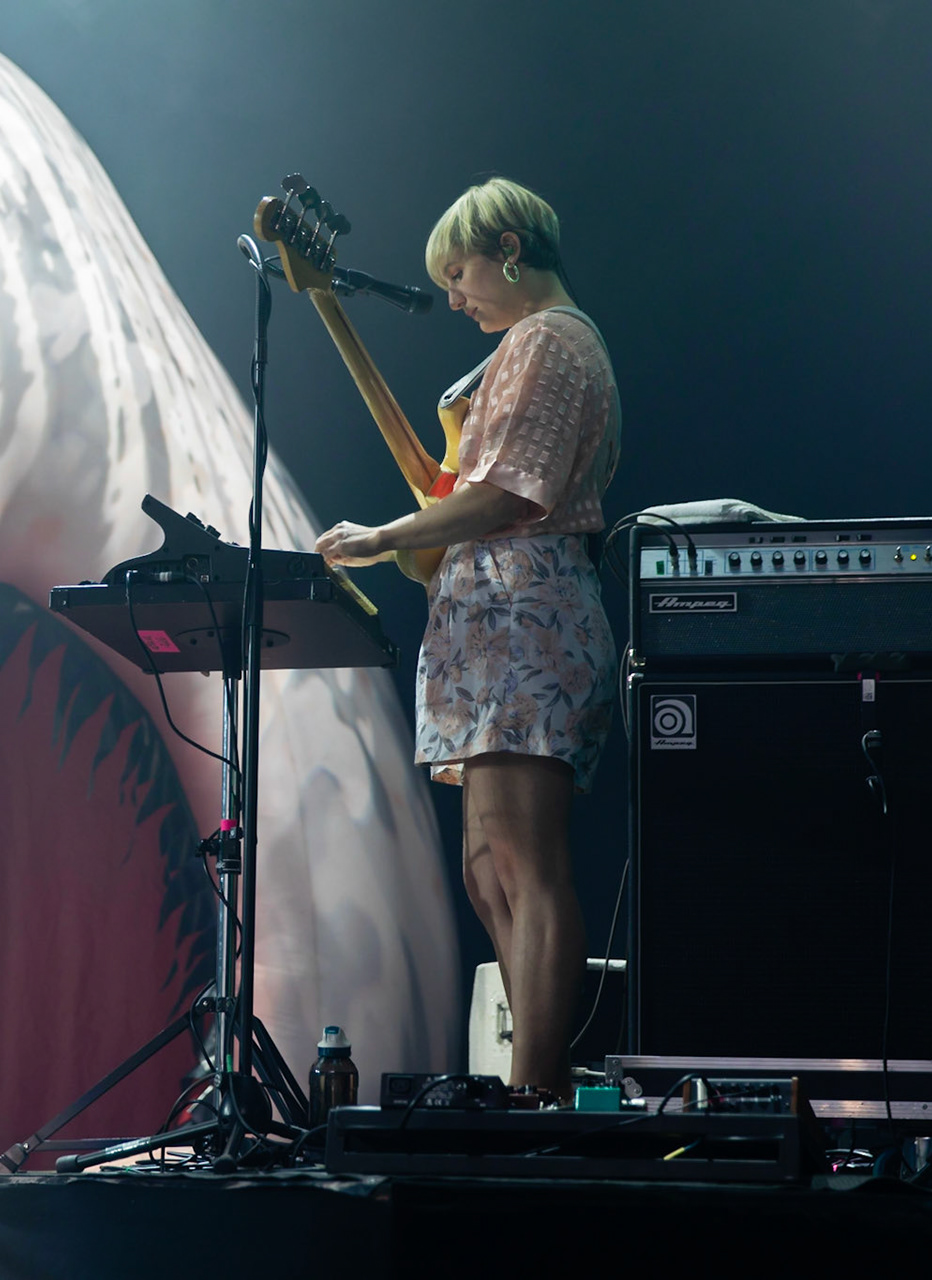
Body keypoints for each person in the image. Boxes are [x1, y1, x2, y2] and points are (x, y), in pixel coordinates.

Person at [315, 177, 620, 1103]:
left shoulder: (549, 343)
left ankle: (536, 1093)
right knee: (487, 872)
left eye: (460, 272)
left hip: (531, 614)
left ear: (511, 250)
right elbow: (453, 501)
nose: (453, 297)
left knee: (526, 864)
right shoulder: (519, 351)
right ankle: (533, 1079)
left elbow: (508, 495)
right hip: (491, 626)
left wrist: (380, 539)